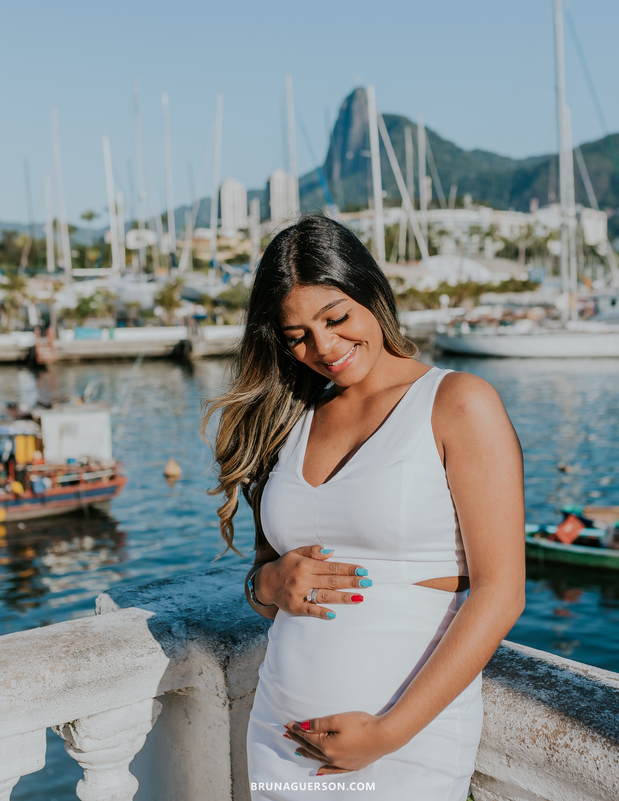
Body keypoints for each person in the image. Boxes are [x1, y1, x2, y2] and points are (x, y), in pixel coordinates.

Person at [204, 215, 525, 800]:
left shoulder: (458, 403)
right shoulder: (290, 417)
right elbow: (265, 572)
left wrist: (387, 733)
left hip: (403, 736)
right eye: (297, 335)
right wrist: (266, 586)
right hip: (282, 730)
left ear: (372, 293)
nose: (323, 348)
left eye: (336, 317)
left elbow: (501, 592)